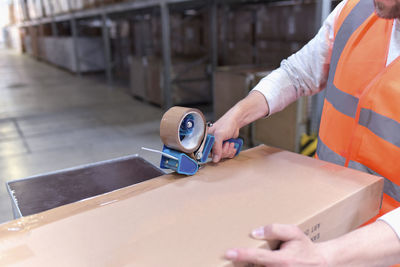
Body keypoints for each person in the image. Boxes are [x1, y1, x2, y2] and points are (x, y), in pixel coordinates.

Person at [208, 0, 400, 265]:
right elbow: (298, 73)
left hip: (382, 252)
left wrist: (326, 256)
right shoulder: (355, 10)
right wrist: (238, 115)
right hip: (327, 224)